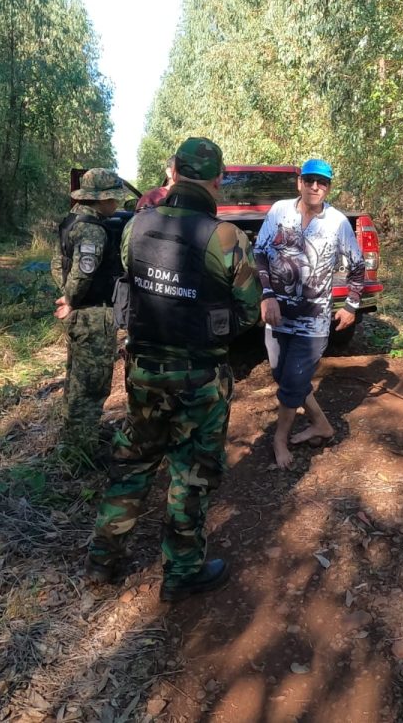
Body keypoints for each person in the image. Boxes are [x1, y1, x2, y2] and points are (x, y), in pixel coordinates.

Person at [86, 137, 261, 602]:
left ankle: (102, 561)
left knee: (133, 462)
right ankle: (182, 572)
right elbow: (248, 315)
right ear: (218, 177)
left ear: (173, 172)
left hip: (143, 371)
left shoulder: (134, 228)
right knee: (191, 472)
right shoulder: (226, 239)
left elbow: (131, 282)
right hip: (200, 379)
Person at [254, 158, 365, 469]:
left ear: (329, 187)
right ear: (299, 182)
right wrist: (267, 295)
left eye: (323, 182)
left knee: (291, 383)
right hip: (278, 315)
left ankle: (279, 439)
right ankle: (322, 425)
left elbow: (357, 267)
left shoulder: (338, 222)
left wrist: (351, 306)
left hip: (314, 320)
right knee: (282, 375)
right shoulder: (279, 211)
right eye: (310, 180)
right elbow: (260, 250)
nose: (316, 187)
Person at [52, 168, 131, 451]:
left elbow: (58, 263)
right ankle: (81, 450)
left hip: (81, 312)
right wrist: (72, 299)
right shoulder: (93, 230)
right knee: (92, 385)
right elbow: (83, 273)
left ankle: (73, 436)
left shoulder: (71, 221)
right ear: (101, 199)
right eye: (114, 199)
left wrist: (66, 297)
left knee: (76, 380)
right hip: (93, 314)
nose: (117, 205)